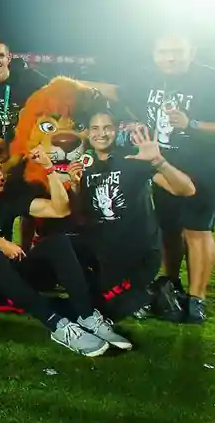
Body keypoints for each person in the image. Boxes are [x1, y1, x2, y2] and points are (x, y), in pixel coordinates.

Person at [0, 150, 132, 357]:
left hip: (8, 273)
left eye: (0, 167)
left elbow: (60, 209)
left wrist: (49, 169)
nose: (0, 173)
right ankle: (59, 327)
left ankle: (87, 316)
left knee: (58, 242)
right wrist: (0, 243)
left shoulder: (8, 197)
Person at [80, 32, 215, 323]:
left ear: (191, 51)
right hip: (159, 163)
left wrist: (191, 124)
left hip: (203, 166)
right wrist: (69, 84)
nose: (170, 57)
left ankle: (196, 299)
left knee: (197, 230)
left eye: (177, 51)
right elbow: (116, 92)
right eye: (164, 51)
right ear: (154, 54)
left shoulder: (209, 79)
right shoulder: (148, 79)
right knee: (168, 228)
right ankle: (170, 282)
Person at [69, 112, 196, 321]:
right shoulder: (85, 166)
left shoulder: (132, 158)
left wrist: (158, 161)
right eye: (95, 128)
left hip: (140, 251)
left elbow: (186, 189)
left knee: (111, 309)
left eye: (107, 127)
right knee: (95, 305)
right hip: (107, 252)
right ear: (88, 133)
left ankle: (155, 293)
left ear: (117, 129)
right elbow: (79, 217)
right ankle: (136, 294)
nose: (101, 133)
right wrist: (75, 186)